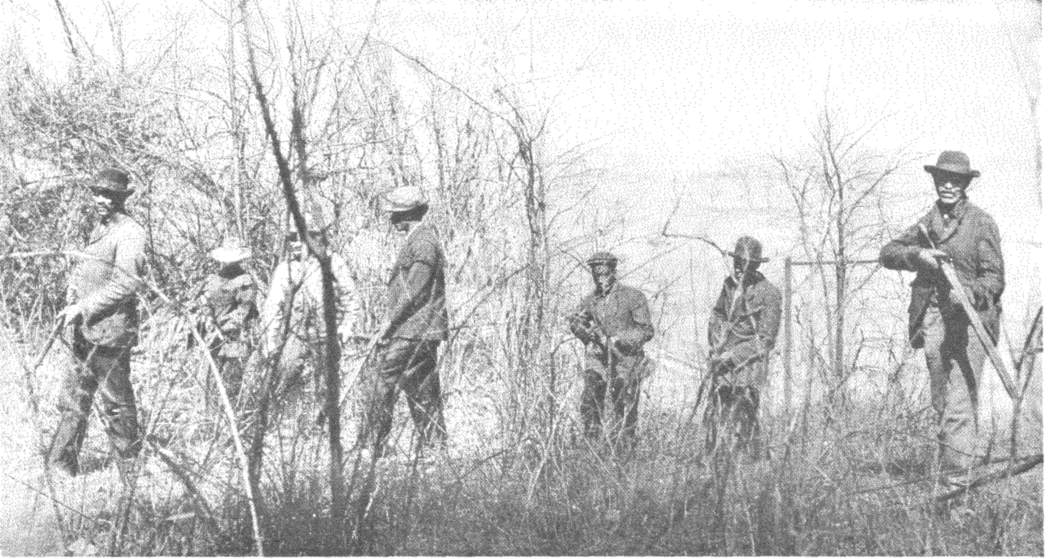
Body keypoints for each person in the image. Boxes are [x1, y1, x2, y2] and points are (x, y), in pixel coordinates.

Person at [879, 150, 1003, 482]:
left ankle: (957, 486)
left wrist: (968, 294)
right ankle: (951, 469)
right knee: (943, 401)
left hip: (972, 323)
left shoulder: (980, 223)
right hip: (934, 320)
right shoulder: (927, 223)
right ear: (935, 181)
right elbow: (887, 253)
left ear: (965, 184)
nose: (948, 185)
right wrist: (917, 255)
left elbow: (994, 279)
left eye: (955, 180)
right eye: (942, 179)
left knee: (959, 402)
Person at [49, 168, 148, 477]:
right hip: (84, 330)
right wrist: (73, 295)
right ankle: (60, 467)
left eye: (109, 195)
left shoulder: (130, 232)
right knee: (73, 400)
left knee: (116, 404)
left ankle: (129, 473)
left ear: (122, 198)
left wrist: (83, 306)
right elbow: (89, 272)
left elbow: (127, 283)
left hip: (111, 333)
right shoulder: (100, 228)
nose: (101, 200)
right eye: (97, 193)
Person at [359, 186, 449, 457]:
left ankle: (373, 446)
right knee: (421, 387)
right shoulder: (420, 239)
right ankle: (435, 448)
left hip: (415, 329)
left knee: (381, 379)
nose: (391, 219)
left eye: (396, 214)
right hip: (419, 329)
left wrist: (389, 322)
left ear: (408, 215)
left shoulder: (423, 242)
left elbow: (414, 290)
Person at [260, 220, 360, 407]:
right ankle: (288, 417)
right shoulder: (285, 270)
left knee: (326, 384)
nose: (295, 243)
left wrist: (346, 327)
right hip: (296, 335)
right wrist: (270, 341)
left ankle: (321, 418)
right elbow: (273, 307)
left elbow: (350, 299)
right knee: (285, 375)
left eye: (300, 238)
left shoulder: (333, 263)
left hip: (326, 335)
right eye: (292, 238)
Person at [705, 236, 781, 461]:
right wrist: (716, 343)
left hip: (748, 366)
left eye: (744, 264)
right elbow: (718, 314)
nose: (738, 268)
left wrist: (734, 356)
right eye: (736, 262)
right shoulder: (729, 285)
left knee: (743, 419)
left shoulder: (769, 293)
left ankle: (751, 465)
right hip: (722, 366)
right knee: (716, 417)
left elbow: (765, 340)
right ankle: (716, 463)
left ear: (755, 266)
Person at [568, 251, 654, 452]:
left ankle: (624, 451)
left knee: (623, 401)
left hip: (626, 359)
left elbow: (646, 331)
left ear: (613, 272)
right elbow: (576, 320)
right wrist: (584, 333)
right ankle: (591, 448)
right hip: (599, 358)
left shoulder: (633, 297)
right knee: (589, 397)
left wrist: (619, 338)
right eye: (596, 275)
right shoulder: (591, 300)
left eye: (604, 274)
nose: (600, 279)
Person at [196, 236, 258, 404]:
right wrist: (209, 319)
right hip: (212, 333)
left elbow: (243, 310)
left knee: (231, 378)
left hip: (234, 337)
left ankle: (231, 411)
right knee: (207, 377)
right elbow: (205, 301)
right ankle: (207, 411)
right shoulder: (214, 278)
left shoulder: (244, 281)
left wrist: (228, 327)